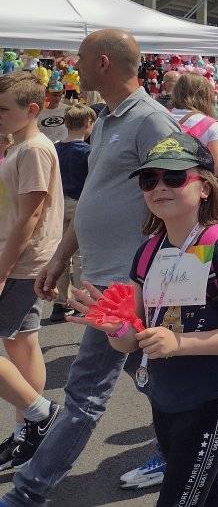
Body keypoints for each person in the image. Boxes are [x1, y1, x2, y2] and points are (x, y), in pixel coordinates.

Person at [3, 30, 179, 506]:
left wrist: (149, 277)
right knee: (147, 372)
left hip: (126, 280)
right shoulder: (105, 122)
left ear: (102, 62)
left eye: (80, 60)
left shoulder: (151, 122)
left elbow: (180, 199)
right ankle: (179, 448)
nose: (73, 67)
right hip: (100, 274)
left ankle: (27, 492)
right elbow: (99, 198)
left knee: (86, 392)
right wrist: (62, 257)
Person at [69, 132, 218, 507]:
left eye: (175, 177)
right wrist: (117, 328)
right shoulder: (147, 253)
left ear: (205, 188)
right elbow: (132, 339)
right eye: (150, 179)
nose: (160, 186)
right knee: (206, 496)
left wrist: (181, 344)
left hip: (212, 393)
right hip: (164, 393)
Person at [0, 72, 64, 471]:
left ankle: (40, 414)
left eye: (4, 109)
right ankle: (30, 428)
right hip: (22, 261)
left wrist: (2, 269)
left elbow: (31, 215)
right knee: (23, 345)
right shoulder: (19, 145)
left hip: (23, 263)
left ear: (33, 110)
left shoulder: (34, 149)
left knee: (21, 345)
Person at [49, 103, 96, 323]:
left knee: (61, 253)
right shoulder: (87, 151)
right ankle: (80, 301)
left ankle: (59, 303)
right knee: (78, 256)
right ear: (88, 123)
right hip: (79, 203)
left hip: (59, 204)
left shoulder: (56, 147)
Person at [169, 73, 218, 176]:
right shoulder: (210, 124)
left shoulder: (163, 117)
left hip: (162, 182)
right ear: (206, 95)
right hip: (192, 185)